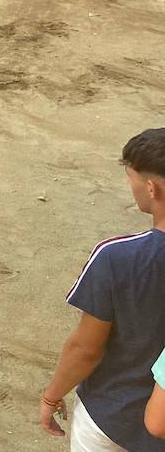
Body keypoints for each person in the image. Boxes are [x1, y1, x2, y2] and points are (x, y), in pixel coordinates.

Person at [41, 130, 165, 452]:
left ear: (152, 188)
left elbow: (86, 348)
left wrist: (51, 396)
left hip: (111, 418)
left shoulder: (117, 257)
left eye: (131, 178)